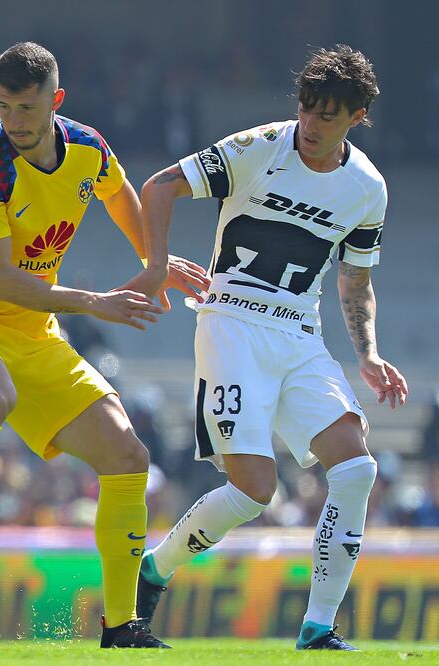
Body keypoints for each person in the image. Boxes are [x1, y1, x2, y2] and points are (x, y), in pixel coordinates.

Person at [0, 42, 208, 649]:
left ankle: (121, 627)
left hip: (35, 334)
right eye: (4, 106)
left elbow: (118, 194)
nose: (15, 121)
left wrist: (153, 261)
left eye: (27, 107)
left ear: (55, 101)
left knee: (128, 458)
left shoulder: (86, 147)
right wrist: (96, 302)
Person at [130, 45, 409, 651]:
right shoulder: (261, 146)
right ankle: (153, 570)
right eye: (306, 108)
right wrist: (157, 268)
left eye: (327, 116)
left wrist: (367, 353)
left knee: (357, 467)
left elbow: (355, 279)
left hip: (300, 336)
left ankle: (318, 628)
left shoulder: (367, 189)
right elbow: (158, 188)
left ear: (358, 117)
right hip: (231, 325)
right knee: (255, 493)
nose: (310, 124)